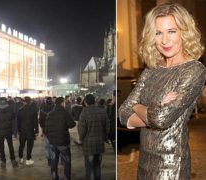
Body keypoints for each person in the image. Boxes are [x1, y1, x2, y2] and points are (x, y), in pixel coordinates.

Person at [119, 3, 206, 179]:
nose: (164, 40)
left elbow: (161, 119)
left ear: (184, 33)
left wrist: (137, 106)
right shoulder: (151, 70)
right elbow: (122, 114)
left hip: (170, 163)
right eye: (158, 33)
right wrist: (155, 109)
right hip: (144, 161)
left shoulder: (194, 70)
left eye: (172, 31)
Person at [78, 94, 109, 180]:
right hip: (99, 143)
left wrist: (81, 138)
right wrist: (105, 137)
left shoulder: (84, 112)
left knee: (89, 167)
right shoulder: (102, 111)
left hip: (88, 145)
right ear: (95, 101)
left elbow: (82, 129)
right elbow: (107, 126)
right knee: (97, 166)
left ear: (85, 102)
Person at [46, 97, 76, 180]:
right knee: (67, 162)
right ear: (62, 103)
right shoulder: (64, 112)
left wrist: (50, 139)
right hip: (63, 142)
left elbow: (46, 130)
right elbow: (72, 124)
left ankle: (55, 177)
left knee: (54, 162)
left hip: (53, 143)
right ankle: (67, 178)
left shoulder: (50, 114)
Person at [0, 97, 18, 167]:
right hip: (8, 131)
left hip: (0, 131)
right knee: (10, 145)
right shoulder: (10, 109)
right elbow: (14, 118)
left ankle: (3, 161)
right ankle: (13, 160)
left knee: (1, 146)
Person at [17, 96, 39, 165]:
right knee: (29, 145)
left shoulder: (20, 110)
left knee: (21, 145)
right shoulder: (33, 110)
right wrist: (36, 131)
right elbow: (36, 122)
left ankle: (20, 158)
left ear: (24, 102)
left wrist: (19, 130)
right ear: (30, 102)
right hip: (30, 130)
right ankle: (28, 159)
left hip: (22, 131)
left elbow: (18, 122)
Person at [39, 96, 54, 166]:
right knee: (53, 145)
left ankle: (49, 160)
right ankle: (54, 158)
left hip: (45, 130)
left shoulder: (42, 111)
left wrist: (42, 131)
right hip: (53, 130)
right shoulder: (55, 109)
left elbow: (40, 122)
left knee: (47, 146)